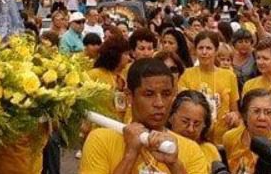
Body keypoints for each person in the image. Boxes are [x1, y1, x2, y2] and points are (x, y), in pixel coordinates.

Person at [80, 58, 209, 174]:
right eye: (149, 94)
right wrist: (130, 155)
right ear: (129, 96)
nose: (159, 103)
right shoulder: (100, 140)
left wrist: (174, 165)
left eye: (166, 94)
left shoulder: (191, 150)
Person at [177, 31, 241, 144]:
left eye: (209, 48)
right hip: (193, 138)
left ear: (216, 51)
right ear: (195, 50)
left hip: (222, 140)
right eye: (200, 48)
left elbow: (235, 111)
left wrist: (233, 116)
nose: (204, 52)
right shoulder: (186, 74)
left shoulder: (229, 75)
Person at [168, 89, 222, 165]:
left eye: (197, 124)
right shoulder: (159, 147)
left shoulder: (210, 150)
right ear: (171, 117)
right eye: (185, 121)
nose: (191, 129)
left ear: (205, 125)